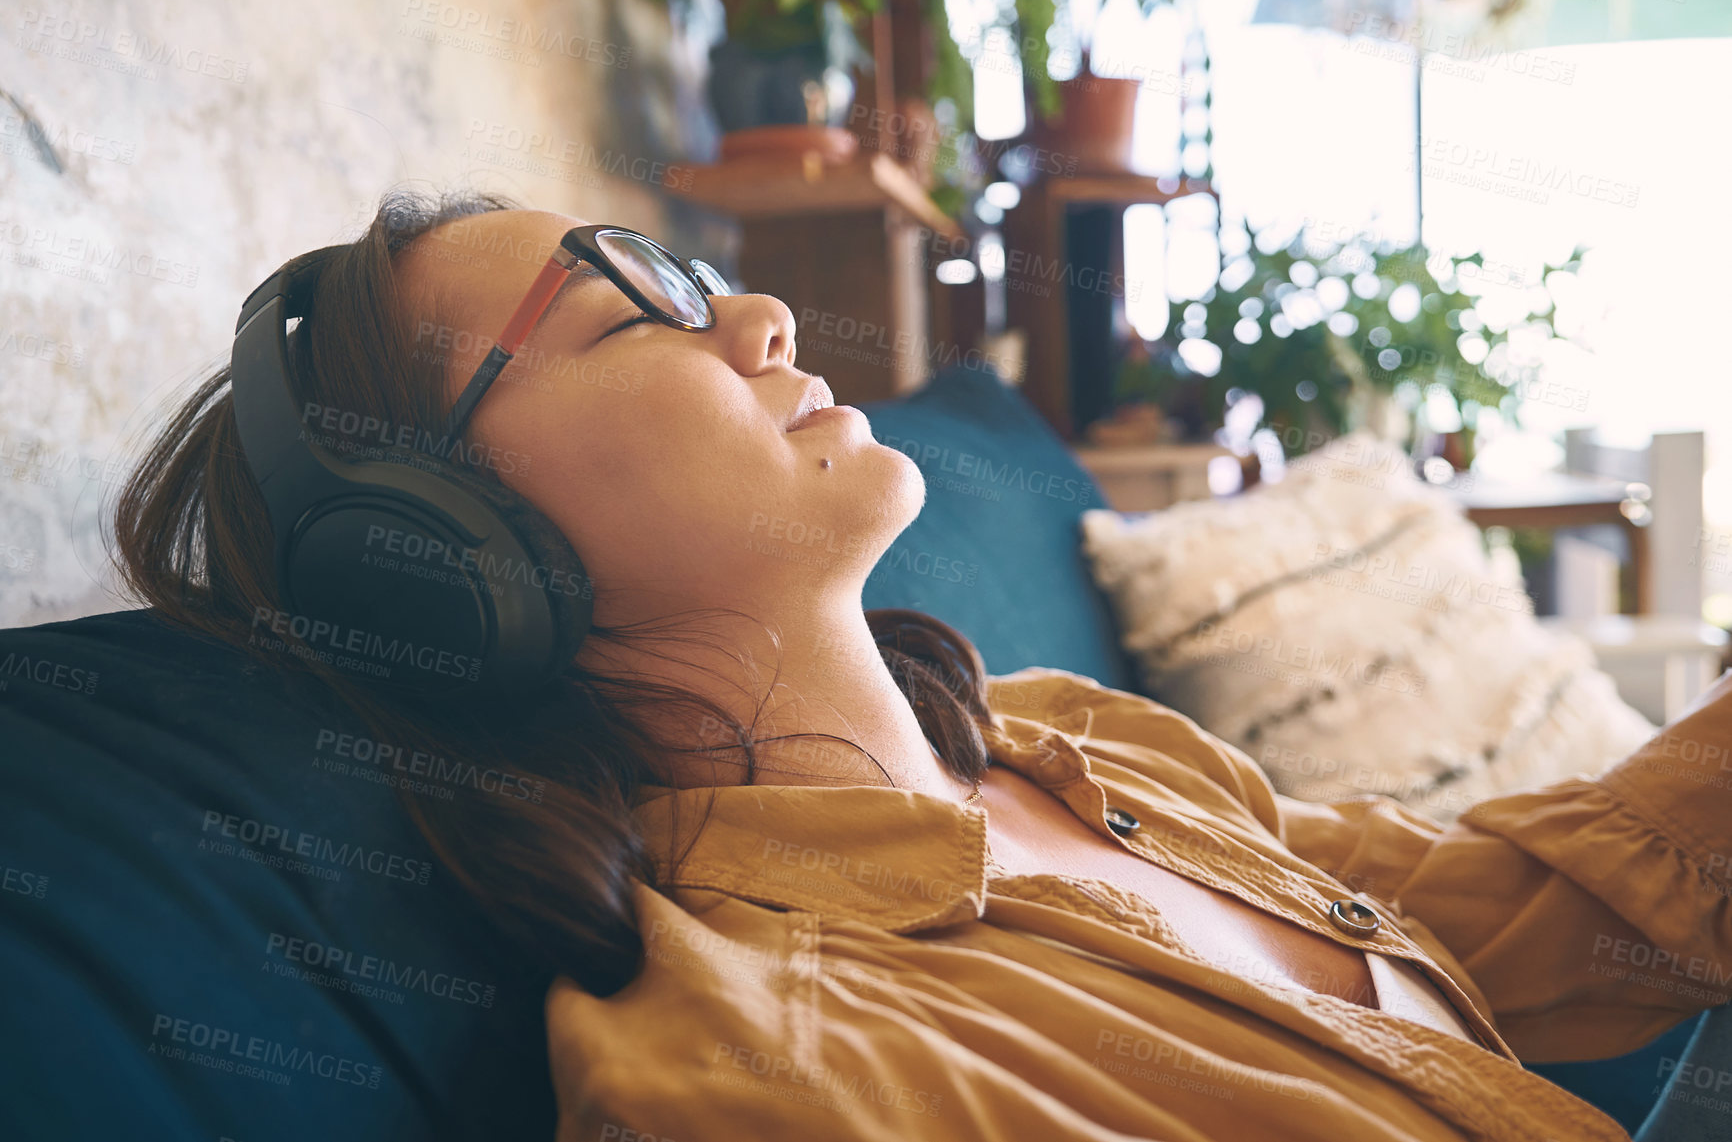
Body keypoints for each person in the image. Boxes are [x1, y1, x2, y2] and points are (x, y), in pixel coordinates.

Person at [113, 190, 1732, 1141]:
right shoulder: (781, 1075)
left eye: (688, 274)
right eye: (625, 317)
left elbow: (1516, 919)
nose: (755, 311)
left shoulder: (1060, 742)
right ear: (442, 557)